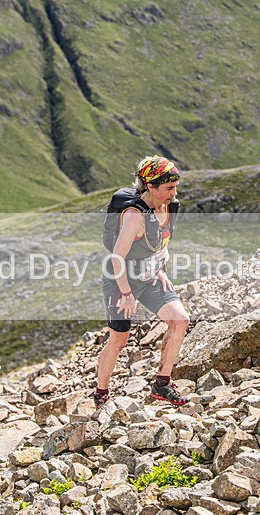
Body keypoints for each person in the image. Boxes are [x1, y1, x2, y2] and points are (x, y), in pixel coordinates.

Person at [96, 155, 191, 407]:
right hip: (120, 280)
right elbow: (117, 258)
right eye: (169, 188)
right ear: (150, 186)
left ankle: (162, 385)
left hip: (149, 276)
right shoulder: (134, 215)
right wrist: (126, 294)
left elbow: (159, 243)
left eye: (176, 187)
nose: (174, 193)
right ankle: (101, 394)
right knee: (119, 339)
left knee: (180, 321)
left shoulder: (170, 207)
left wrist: (159, 270)